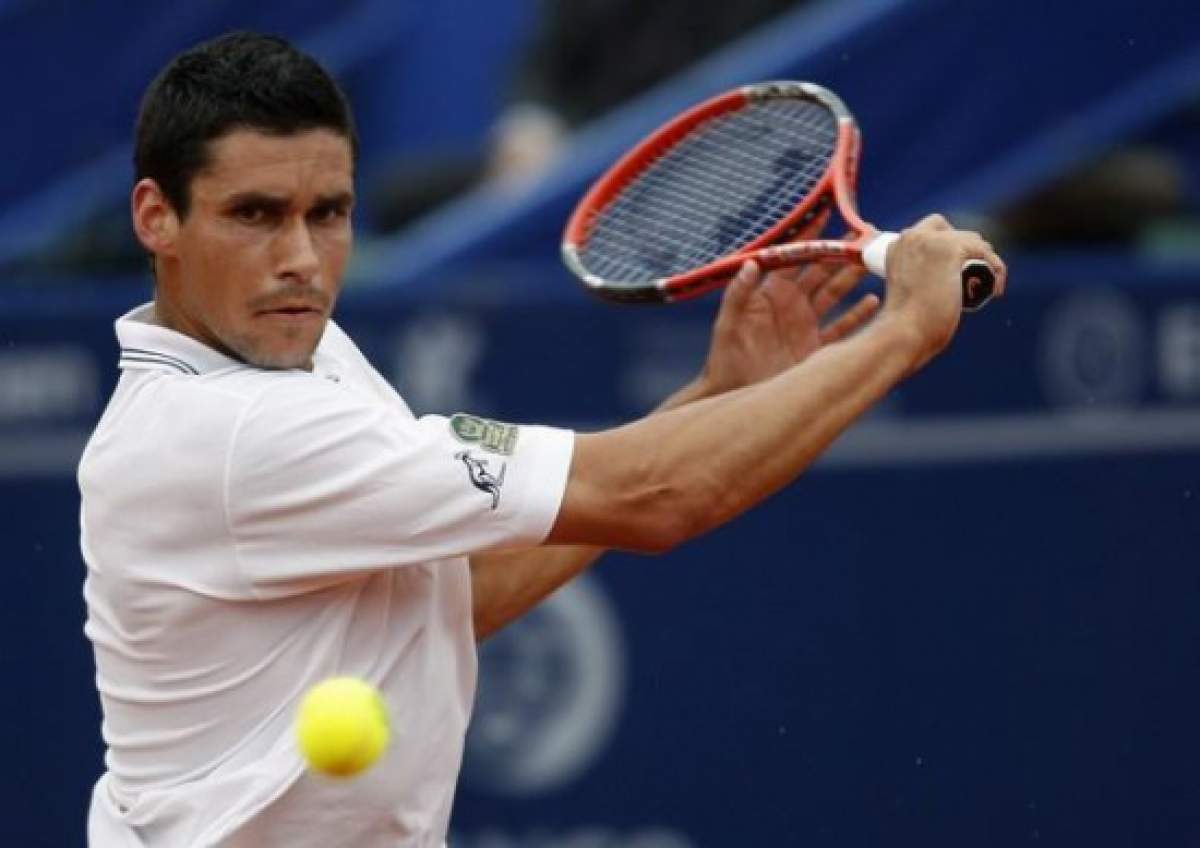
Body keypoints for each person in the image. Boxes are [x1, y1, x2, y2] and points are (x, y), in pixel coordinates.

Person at [79, 31, 1005, 848]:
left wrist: (716, 396)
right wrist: (905, 331)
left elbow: (451, 593)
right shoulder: (233, 431)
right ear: (156, 217)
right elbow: (656, 498)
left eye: (328, 212)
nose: (301, 259)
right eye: (254, 214)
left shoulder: (293, 350)